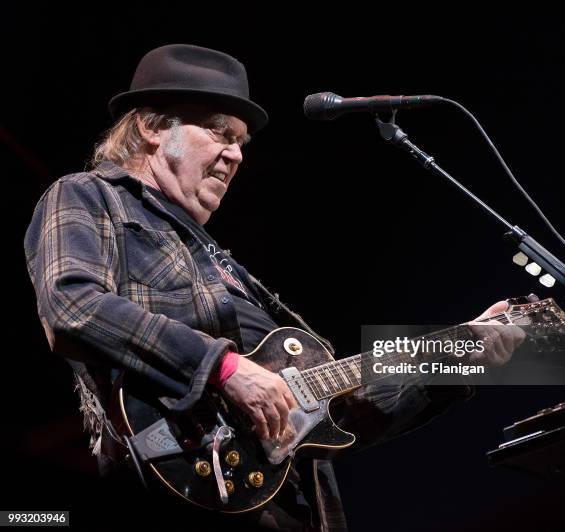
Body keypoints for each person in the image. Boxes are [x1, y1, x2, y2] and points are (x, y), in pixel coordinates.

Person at [24, 44, 524, 531]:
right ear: (151, 127)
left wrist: (459, 354)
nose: (235, 154)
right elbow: (73, 304)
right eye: (219, 132)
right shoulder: (88, 195)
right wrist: (222, 367)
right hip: (184, 485)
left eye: (242, 141)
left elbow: (346, 411)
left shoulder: (224, 267)